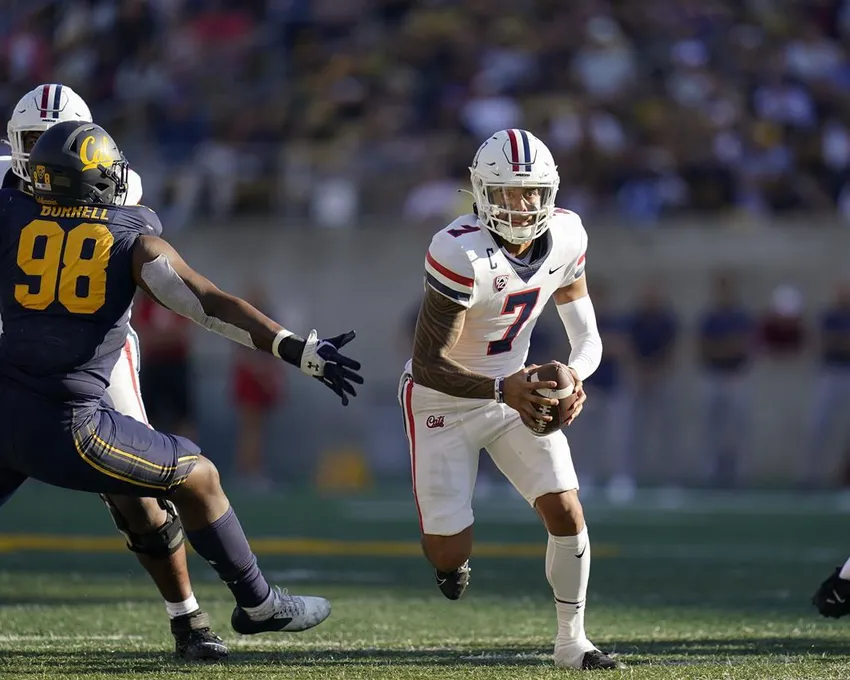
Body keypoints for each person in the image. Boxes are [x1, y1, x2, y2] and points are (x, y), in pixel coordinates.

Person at [0, 121, 363, 647]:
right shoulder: (130, 238)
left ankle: (191, 622)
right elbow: (209, 304)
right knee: (200, 476)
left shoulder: (10, 214)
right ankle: (259, 602)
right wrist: (295, 349)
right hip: (68, 426)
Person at [2, 83, 222, 659]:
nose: (39, 158)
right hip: (14, 344)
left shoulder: (120, 188)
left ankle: (189, 619)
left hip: (95, 350)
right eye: (28, 142)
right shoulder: (4, 178)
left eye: (50, 143)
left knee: (136, 488)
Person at [399, 129, 620, 670]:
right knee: (448, 549)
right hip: (441, 401)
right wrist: (503, 388)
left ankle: (573, 643)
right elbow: (429, 363)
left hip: (512, 391)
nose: (521, 206)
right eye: (506, 193)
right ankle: (451, 566)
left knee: (566, 510)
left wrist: (573, 375)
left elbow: (586, 336)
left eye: (532, 192)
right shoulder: (458, 249)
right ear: (481, 192)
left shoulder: (567, 234)